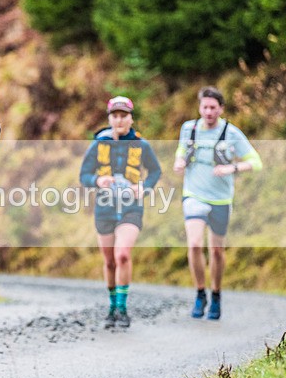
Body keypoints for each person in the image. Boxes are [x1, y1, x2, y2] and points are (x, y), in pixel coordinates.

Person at [173, 86, 262, 320]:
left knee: (217, 250)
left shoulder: (231, 133)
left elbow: (255, 162)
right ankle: (200, 292)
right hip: (193, 194)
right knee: (194, 244)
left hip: (221, 199)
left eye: (214, 107)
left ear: (221, 109)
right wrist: (179, 162)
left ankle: (216, 294)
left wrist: (231, 168)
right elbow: (181, 151)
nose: (209, 111)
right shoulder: (189, 128)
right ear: (199, 107)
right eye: (205, 107)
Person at [80, 96, 162, 329]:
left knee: (122, 254)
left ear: (130, 118)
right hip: (104, 208)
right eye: (114, 116)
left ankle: (123, 308)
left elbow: (155, 171)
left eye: (123, 115)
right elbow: (83, 176)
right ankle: (112, 306)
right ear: (109, 118)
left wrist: (143, 187)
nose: (119, 120)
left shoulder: (141, 144)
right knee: (109, 261)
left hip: (130, 208)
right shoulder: (98, 144)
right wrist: (98, 180)